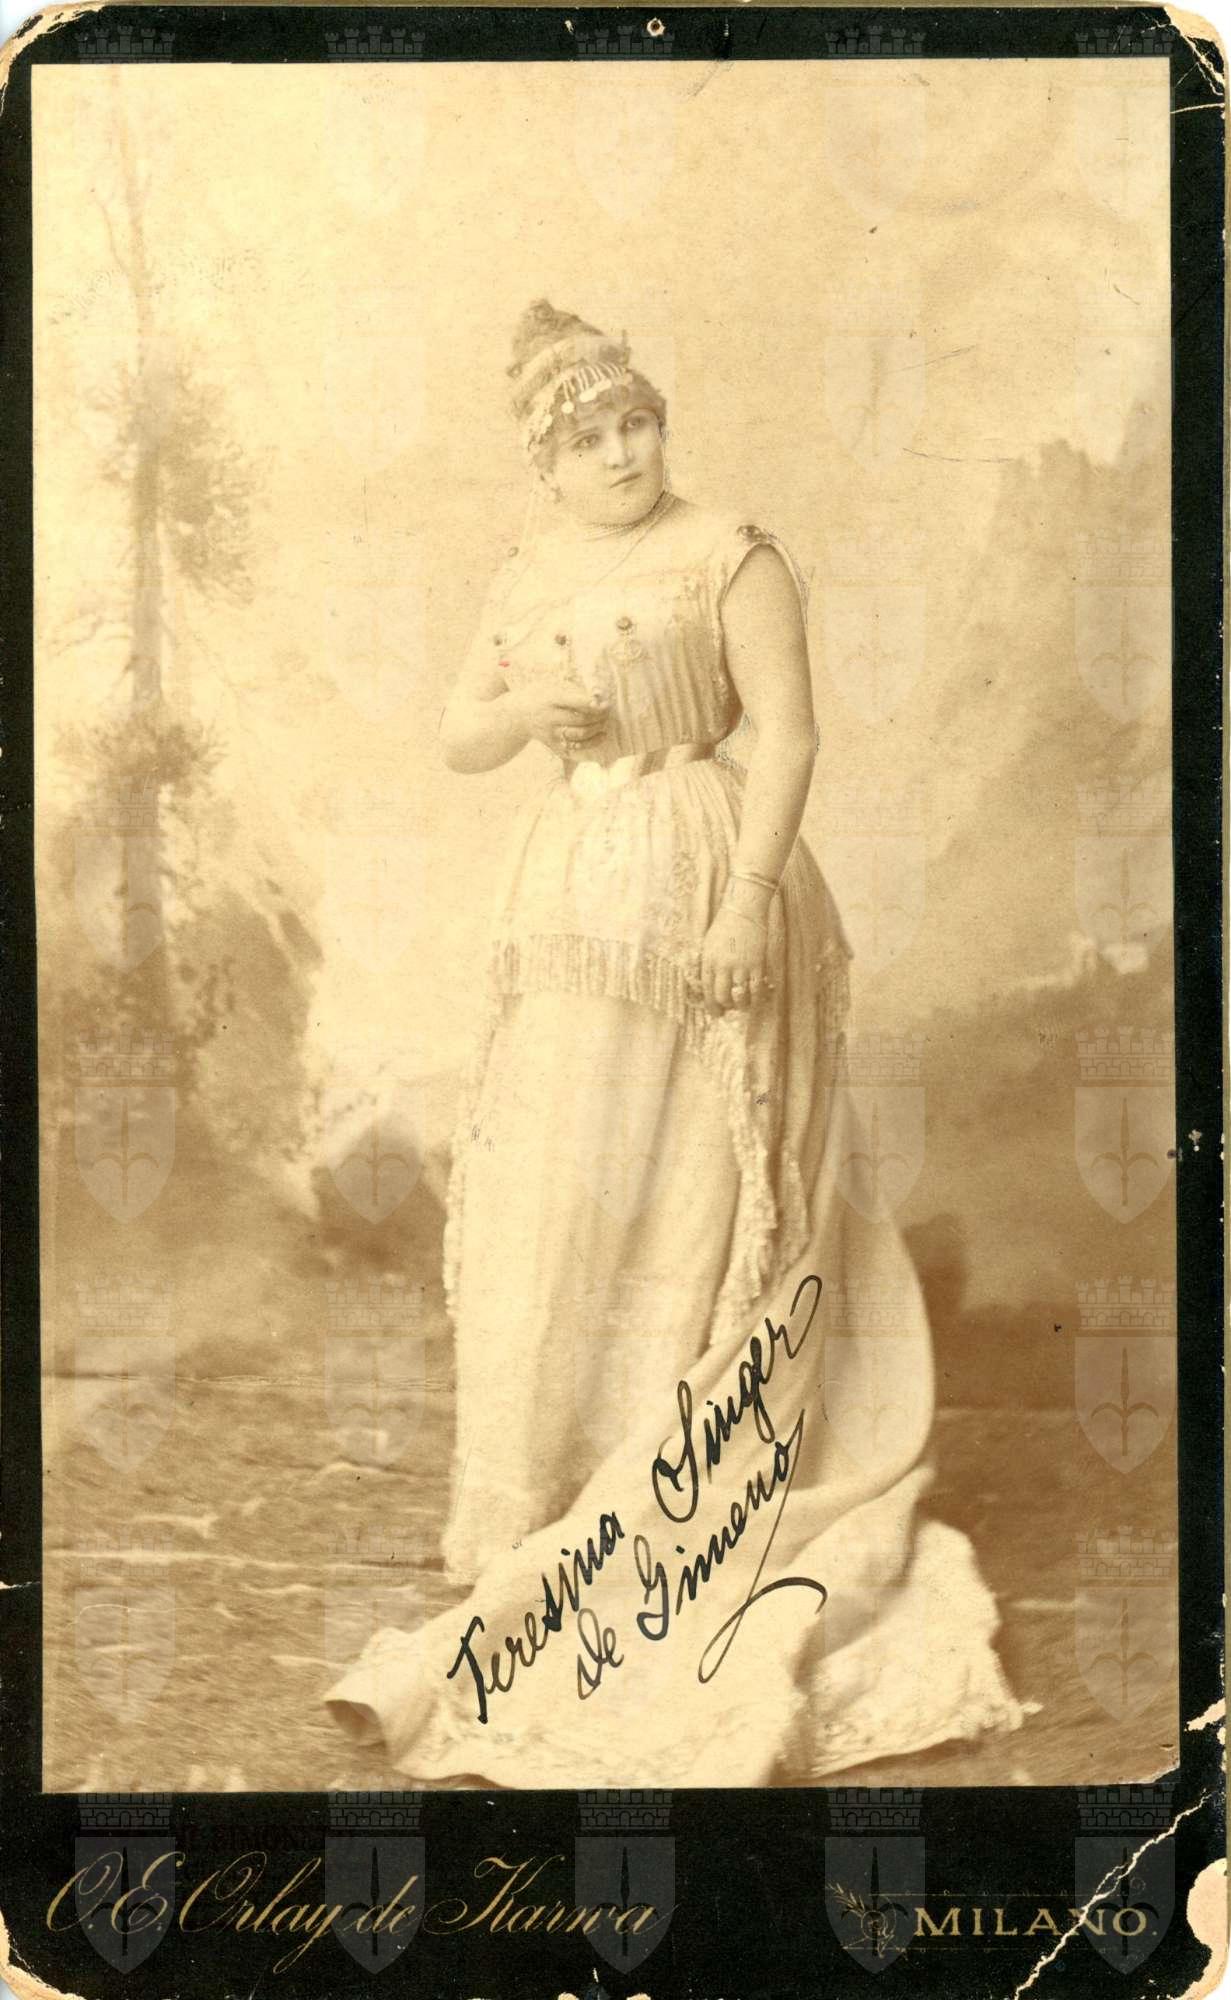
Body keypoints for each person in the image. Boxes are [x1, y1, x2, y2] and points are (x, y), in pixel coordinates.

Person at [324, 302, 1029, 1785]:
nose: (621, 454)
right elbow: (459, 732)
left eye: (635, 425)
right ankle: (546, 1495)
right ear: (546, 465)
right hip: (573, 900)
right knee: (562, 1180)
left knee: (703, 1183)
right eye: (588, 440)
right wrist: (525, 706)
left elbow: (790, 736)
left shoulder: (732, 553)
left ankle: (676, 1489)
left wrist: (747, 902)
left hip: (710, 875)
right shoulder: (530, 567)